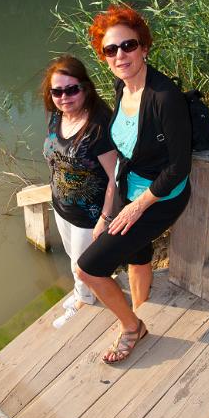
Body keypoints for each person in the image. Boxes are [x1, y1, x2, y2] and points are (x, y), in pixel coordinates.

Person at [75, 5, 192, 363]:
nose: (120, 55)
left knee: (88, 267)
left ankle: (132, 326)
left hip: (161, 197)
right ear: (104, 57)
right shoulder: (121, 87)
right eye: (111, 50)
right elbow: (126, 152)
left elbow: (179, 166)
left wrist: (137, 206)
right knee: (137, 255)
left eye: (128, 46)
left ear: (144, 48)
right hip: (131, 187)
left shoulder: (164, 97)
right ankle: (139, 308)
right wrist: (111, 209)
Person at [42, 55, 117, 329]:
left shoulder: (98, 127)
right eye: (57, 91)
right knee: (75, 260)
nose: (65, 97)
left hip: (90, 215)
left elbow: (115, 177)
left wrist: (105, 218)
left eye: (72, 89)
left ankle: (85, 302)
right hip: (62, 206)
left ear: (85, 87)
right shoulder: (56, 117)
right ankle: (80, 294)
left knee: (82, 267)